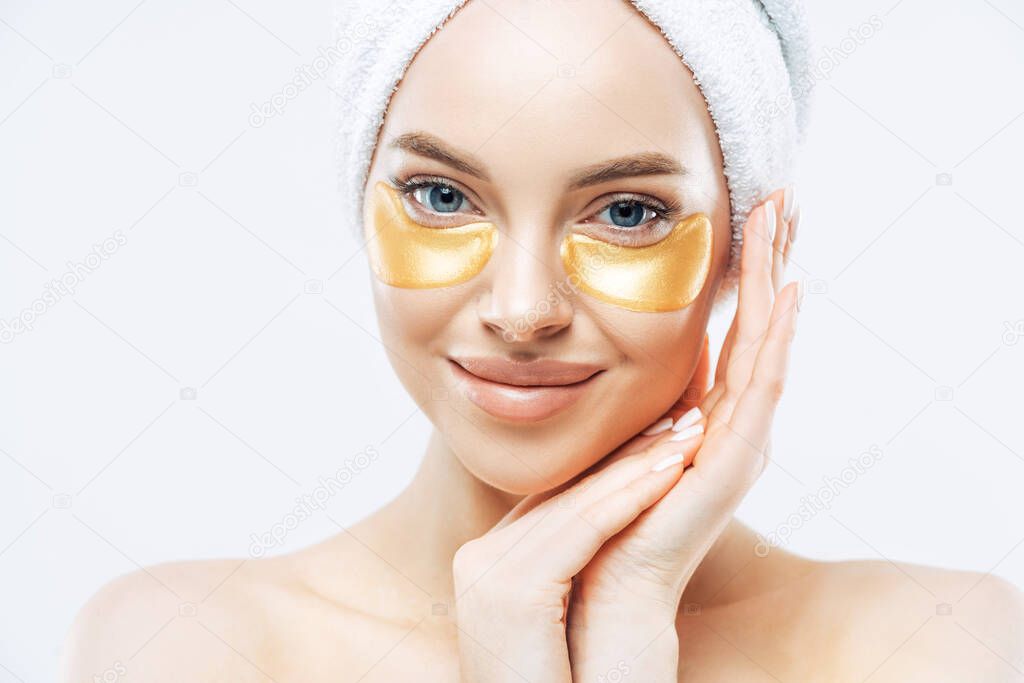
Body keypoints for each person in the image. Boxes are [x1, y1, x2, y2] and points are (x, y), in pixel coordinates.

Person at [61, 0, 1024, 680]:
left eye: (629, 212)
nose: (523, 310)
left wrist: (629, 622)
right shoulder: (178, 648)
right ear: (361, 204)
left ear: (746, 245)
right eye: (442, 198)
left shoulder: (943, 648)